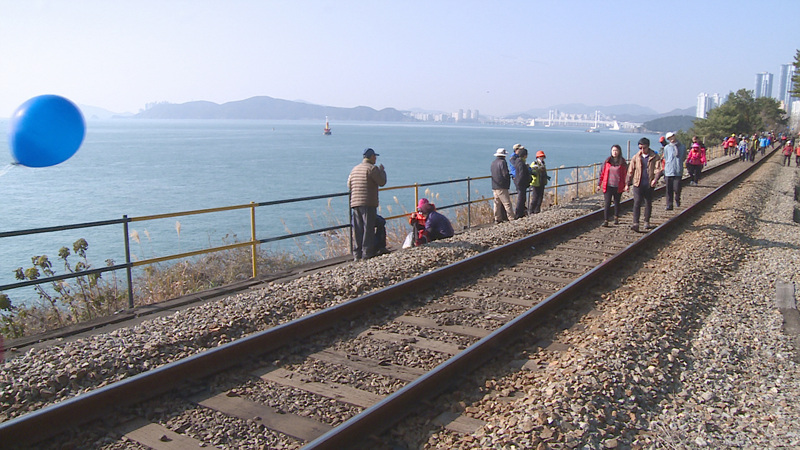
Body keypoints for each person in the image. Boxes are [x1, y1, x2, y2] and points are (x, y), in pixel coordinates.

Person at [347, 147, 387, 260]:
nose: (376, 159)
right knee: (368, 228)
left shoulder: (354, 169)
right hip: (368, 202)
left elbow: (349, 184)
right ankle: (367, 253)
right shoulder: (372, 169)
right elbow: (382, 182)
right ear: (372, 157)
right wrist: (382, 171)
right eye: (375, 156)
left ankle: (357, 254)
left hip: (355, 202)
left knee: (358, 229)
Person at [626, 137, 662, 232]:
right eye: (640, 148)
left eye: (644, 147)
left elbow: (658, 169)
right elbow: (630, 171)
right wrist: (627, 183)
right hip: (638, 183)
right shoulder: (636, 157)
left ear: (648, 146)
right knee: (637, 202)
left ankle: (646, 221)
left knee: (648, 202)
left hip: (649, 183)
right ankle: (635, 223)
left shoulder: (655, 156)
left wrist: (655, 179)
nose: (642, 150)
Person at [598, 144, 627, 226]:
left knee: (617, 202)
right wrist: (598, 184)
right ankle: (606, 220)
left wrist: (626, 184)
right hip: (608, 185)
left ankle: (616, 217)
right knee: (607, 203)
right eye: (613, 150)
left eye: (616, 150)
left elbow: (626, 174)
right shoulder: (607, 161)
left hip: (618, 186)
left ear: (619, 151)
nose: (615, 152)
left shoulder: (623, 162)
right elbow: (602, 173)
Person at [662, 131, 686, 210]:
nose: (671, 139)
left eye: (672, 137)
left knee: (677, 187)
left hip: (678, 170)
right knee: (668, 189)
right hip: (669, 170)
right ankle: (669, 204)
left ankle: (677, 198)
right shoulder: (667, 148)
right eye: (669, 138)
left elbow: (683, 157)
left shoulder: (682, 147)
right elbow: (666, 157)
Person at [490, 148, 515, 223]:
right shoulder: (503, 162)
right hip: (502, 185)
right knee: (507, 203)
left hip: (495, 185)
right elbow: (505, 174)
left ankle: (497, 218)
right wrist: (508, 180)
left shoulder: (493, 163)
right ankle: (511, 218)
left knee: (497, 203)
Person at [513, 147, 532, 218]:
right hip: (521, 184)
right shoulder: (521, 163)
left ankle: (521, 212)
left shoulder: (518, 161)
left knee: (522, 198)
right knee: (521, 198)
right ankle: (518, 214)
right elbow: (521, 174)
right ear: (524, 155)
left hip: (519, 183)